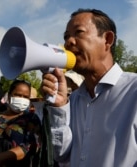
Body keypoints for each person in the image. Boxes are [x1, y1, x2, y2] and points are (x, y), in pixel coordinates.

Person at [40, 8, 137, 167]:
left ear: (107, 39)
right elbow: (61, 155)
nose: (69, 42)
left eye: (79, 32)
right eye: (66, 37)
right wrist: (59, 107)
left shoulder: (133, 90)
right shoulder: (74, 99)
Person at [0, 79, 41, 167]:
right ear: (9, 95)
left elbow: (31, 145)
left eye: (25, 97)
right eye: (17, 95)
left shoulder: (31, 118)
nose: (21, 99)